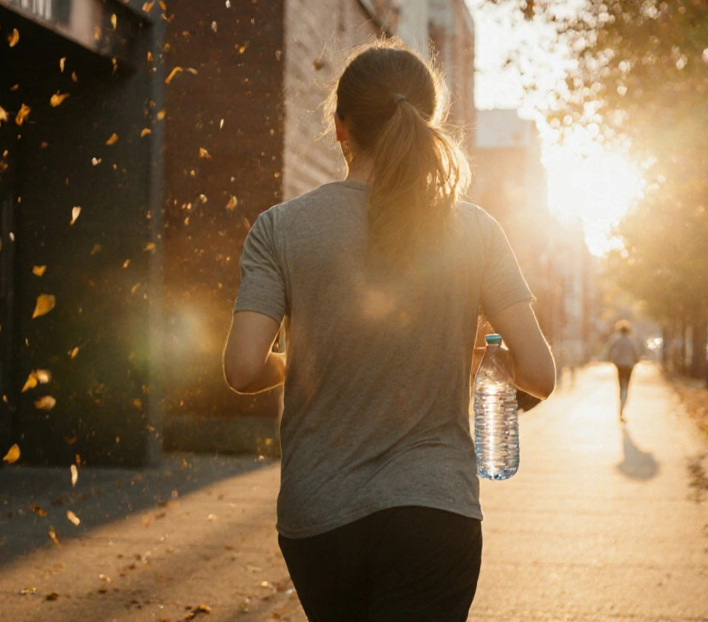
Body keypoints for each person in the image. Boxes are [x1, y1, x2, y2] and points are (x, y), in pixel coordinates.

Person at [222, 40, 556, 622]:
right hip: (436, 510)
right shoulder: (476, 230)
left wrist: (302, 355)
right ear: (426, 123)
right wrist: (476, 355)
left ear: (340, 126)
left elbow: (244, 369)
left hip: (320, 515)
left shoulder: (281, 228)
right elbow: (541, 375)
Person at [607, 320, 640, 422]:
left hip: (619, 365)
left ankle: (620, 407)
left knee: (621, 386)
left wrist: (612, 359)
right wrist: (635, 361)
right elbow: (636, 354)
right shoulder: (631, 341)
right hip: (629, 366)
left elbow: (609, 349)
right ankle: (623, 405)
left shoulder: (616, 340)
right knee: (626, 386)